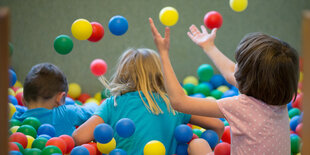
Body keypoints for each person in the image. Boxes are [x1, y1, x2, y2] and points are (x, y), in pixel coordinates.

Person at [149, 17, 299, 154]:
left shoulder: (242, 106)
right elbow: (230, 72)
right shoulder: (280, 99)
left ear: (248, 77)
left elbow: (179, 102)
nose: (235, 68)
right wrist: (208, 46)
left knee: (198, 145)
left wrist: (163, 53)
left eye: (238, 64)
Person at [73, 48, 224, 154]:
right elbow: (217, 124)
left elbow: (79, 137)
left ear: (122, 74)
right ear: (161, 74)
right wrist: (211, 146)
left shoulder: (112, 104)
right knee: (198, 144)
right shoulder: (174, 104)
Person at [13, 63, 98, 136]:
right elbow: (95, 110)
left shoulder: (16, 119)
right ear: (60, 99)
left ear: (23, 100)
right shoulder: (67, 113)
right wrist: (85, 105)